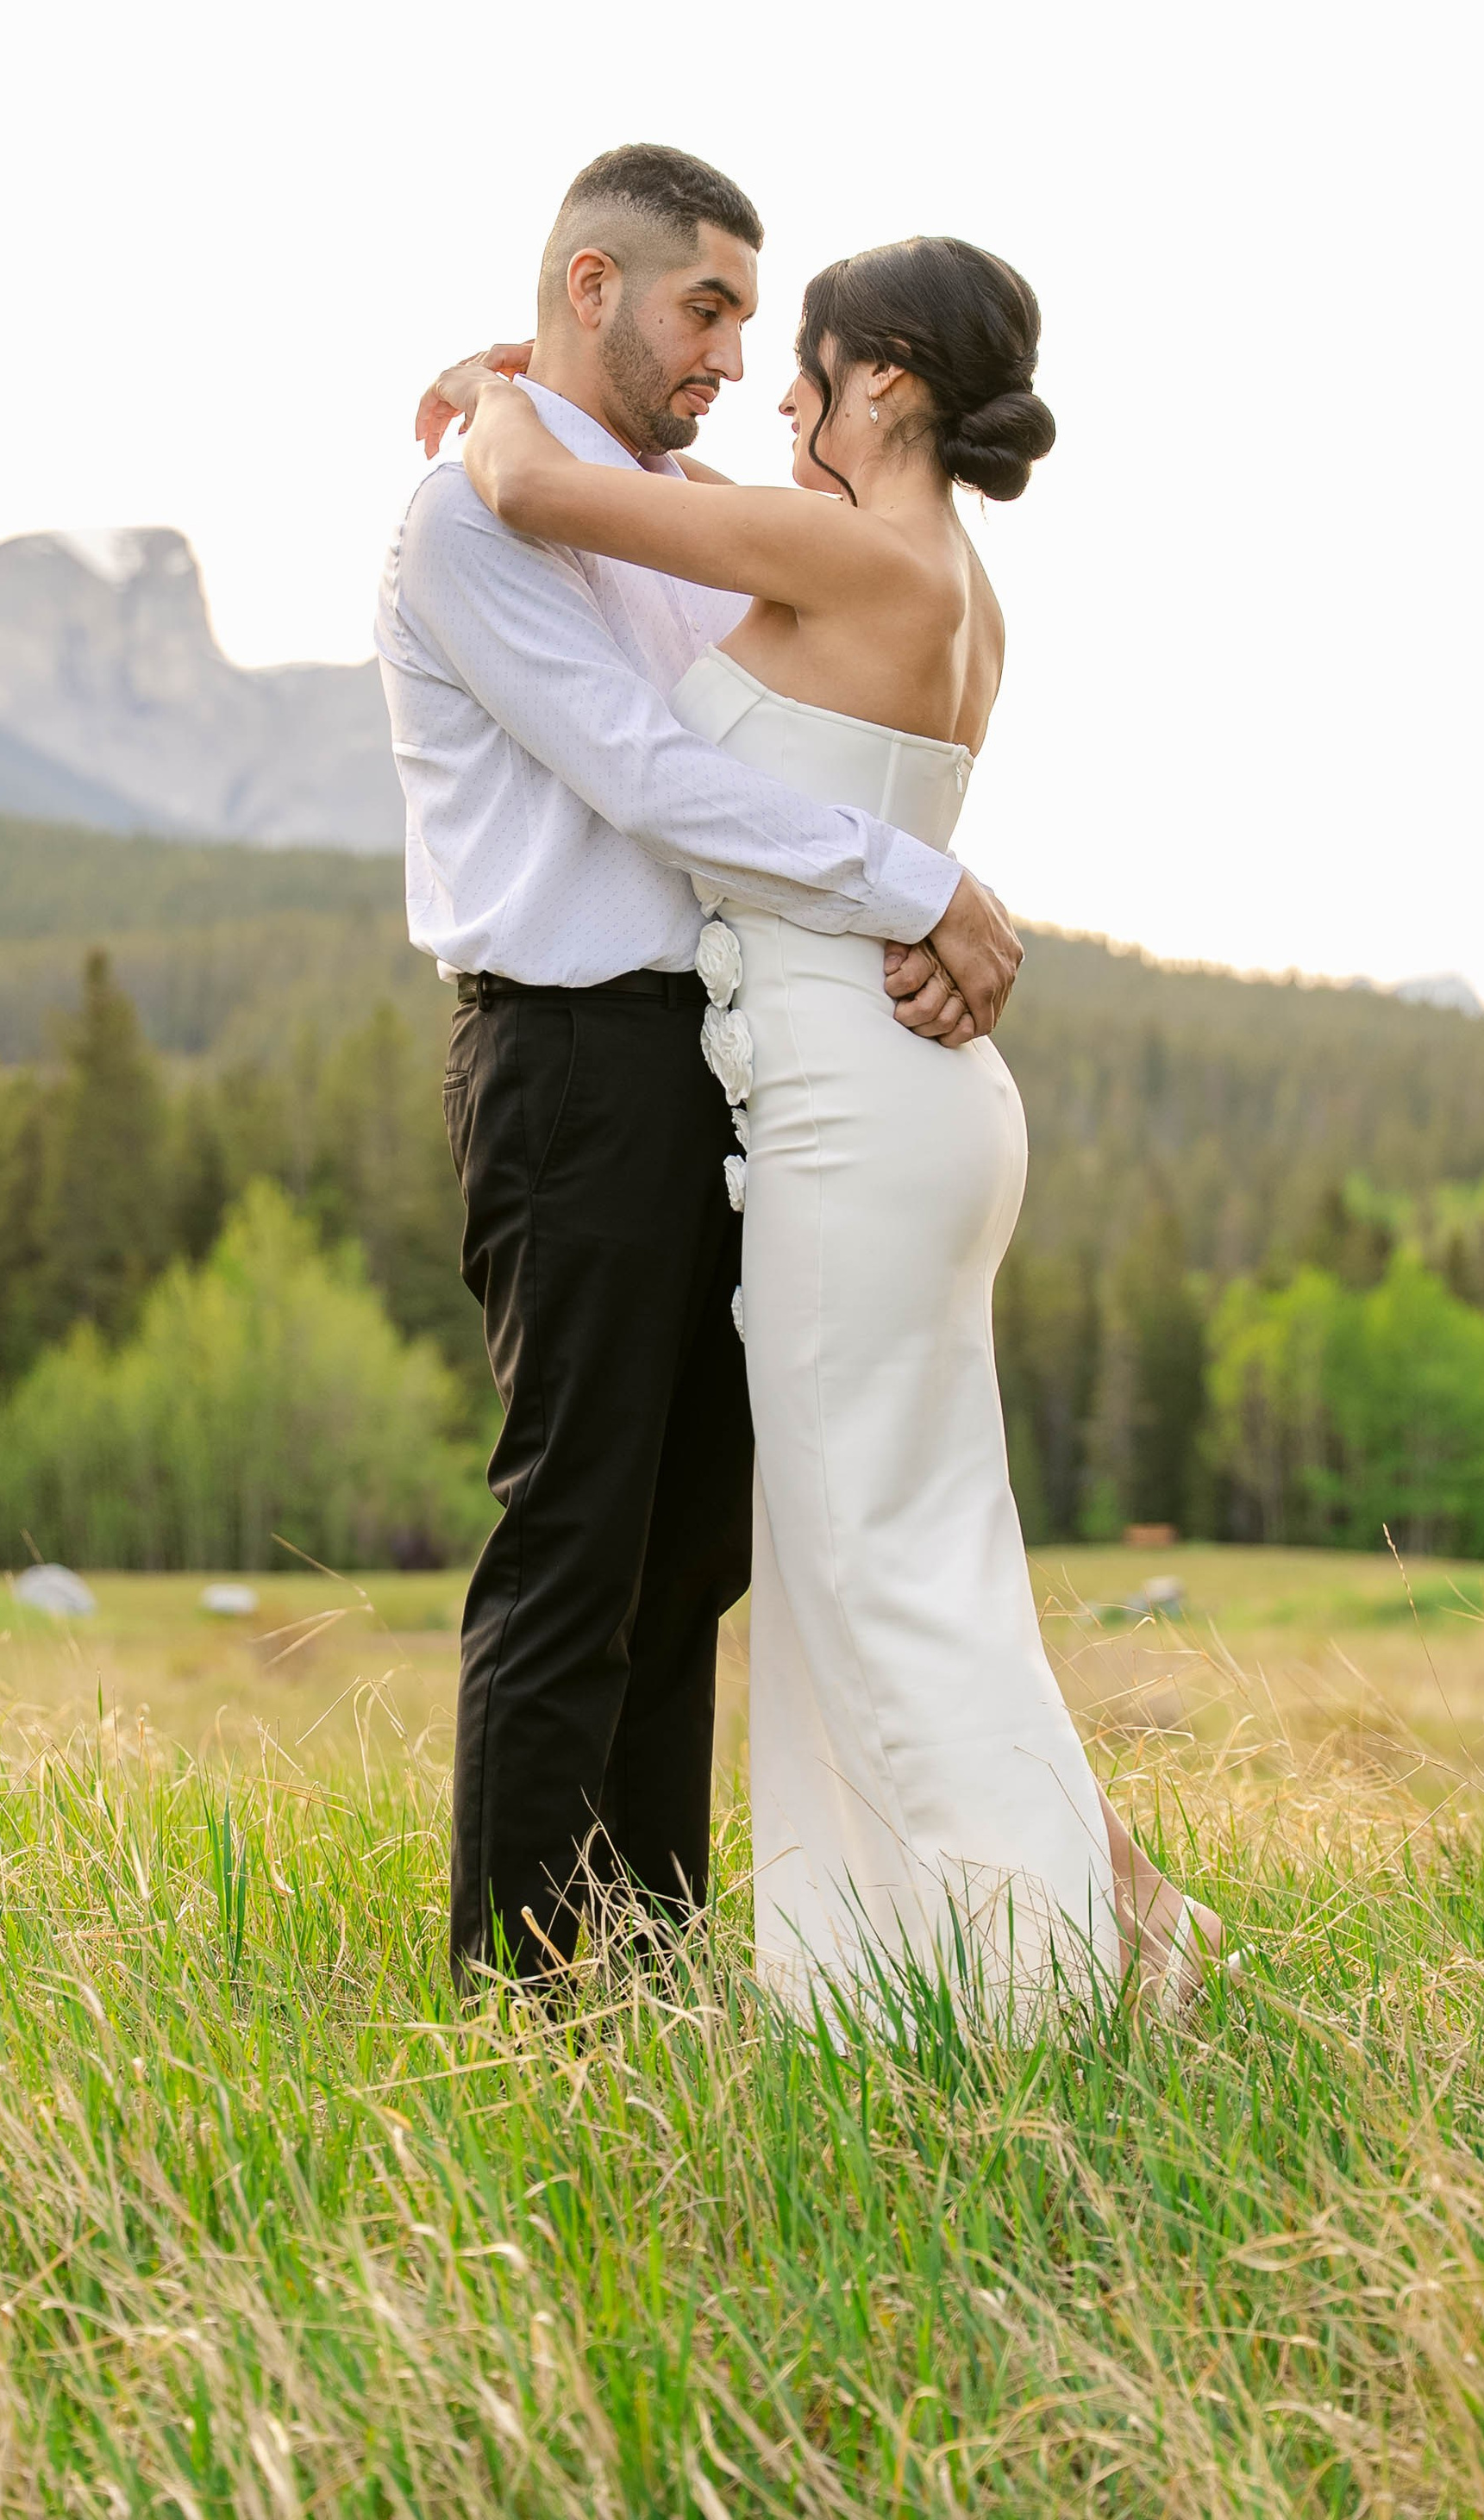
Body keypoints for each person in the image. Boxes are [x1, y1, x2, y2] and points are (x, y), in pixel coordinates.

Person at [425, 224, 1219, 2021]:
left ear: (890, 378)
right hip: (919, 1097)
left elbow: (535, 487)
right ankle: (1078, 1918)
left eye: (806, 358)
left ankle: (1069, 1952)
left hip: (849, 1116)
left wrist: (490, 385)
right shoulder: (948, 581)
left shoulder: (834, 548)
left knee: (865, 1562)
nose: (774, 390)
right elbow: (674, 512)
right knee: (918, 1539)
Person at [377, 144, 1026, 1988]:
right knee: (575, 1536)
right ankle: (519, 1992)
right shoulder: (468, 523)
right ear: (591, 287)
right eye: (704, 308)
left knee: (690, 1563)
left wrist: (508, 383)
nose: (732, 354)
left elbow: (785, 726)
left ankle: (647, 1968)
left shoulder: (653, 506)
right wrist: (922, 880)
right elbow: (650, 782)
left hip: (733, 1077)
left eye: (751, 317)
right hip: (569, 1062)